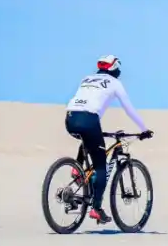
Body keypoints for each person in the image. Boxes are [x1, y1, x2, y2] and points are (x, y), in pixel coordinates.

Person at [65, 55, 153, 225]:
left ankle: (77, 169)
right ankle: (96, 208)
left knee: (87, 138)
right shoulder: (114, 83)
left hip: (70, 118)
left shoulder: (87, 78)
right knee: (101, 167)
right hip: (89, 120)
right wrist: (143, 130)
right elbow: (129, 109)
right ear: (115, 69)